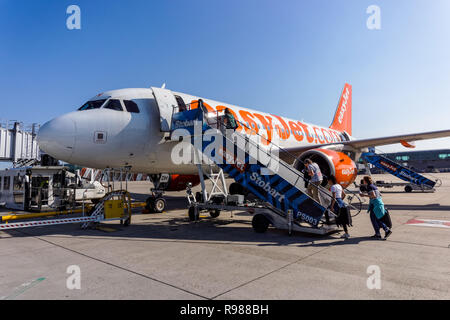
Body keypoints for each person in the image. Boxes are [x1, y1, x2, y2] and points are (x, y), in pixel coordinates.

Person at [360, 176, 392, 240]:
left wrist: (364, 195)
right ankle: (380, 232)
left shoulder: (369, 187)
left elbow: (373, 196)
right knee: (376, 219)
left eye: (363, 180)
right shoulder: (373, 186)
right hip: (378, 204)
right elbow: (380, 194)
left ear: (365, 181)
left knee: (374, 219)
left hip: (375, 205)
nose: (363, 181)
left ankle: (385, 230)